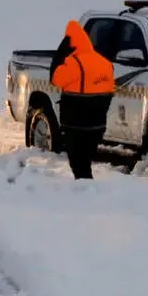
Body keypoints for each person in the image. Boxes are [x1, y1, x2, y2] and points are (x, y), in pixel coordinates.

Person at [49, 20, 115, 179]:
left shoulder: (74, 63)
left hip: (76, 124)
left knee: (78, 164)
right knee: (85, 162)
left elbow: (55, 79)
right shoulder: (104, 62)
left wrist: (59, 55)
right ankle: (87, 191)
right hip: (97, 124)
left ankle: (85, 194)